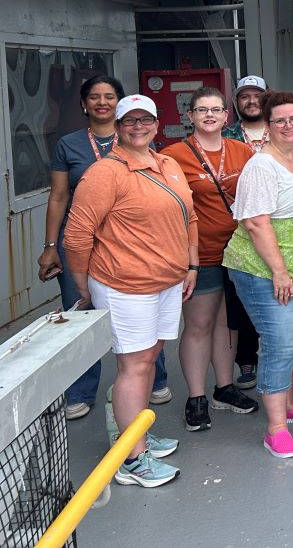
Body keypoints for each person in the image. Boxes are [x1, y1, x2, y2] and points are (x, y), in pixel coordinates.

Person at [63, 94, 197, 488]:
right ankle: (131, 460)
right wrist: (85, 284)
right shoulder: (106, 173)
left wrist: (190, 266)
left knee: (151, 355)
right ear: (118, 127)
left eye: (146, 120)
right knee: (135, 364)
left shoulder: (167, 163)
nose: (138, 127)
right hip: (125, 285)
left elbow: (188, 217)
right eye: (129, 121)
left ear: (157, 124)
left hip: (167, 281)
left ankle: (133, 432)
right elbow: (76, 236)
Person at [40, 76, 171, 420]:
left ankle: (155, 379)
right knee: (79, 315)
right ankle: (81, 390)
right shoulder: (69, 144)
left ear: (120, 105)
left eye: (109, 97)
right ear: (84, 104)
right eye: (94, 97)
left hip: (130, 245)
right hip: (80, 241)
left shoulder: (137, 139)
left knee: (144, 314)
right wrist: (51, 245)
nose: (102, 102)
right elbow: (58, 196)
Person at [224, 91, 293, 460]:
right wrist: (279, 271)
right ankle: (275, 428)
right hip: (265, 270)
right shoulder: (261, 165)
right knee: (280, 343)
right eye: (280, 120)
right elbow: (255, 222)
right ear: (266, 126)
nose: (288, 125)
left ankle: (288, 405)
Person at [162, 89, 260, 432]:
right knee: (200, 324)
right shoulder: (173, 156)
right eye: (201, 110)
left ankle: (224, 387)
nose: (209, 115)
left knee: (227, 323)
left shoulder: (242, 151)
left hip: (237, 253)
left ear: (225, 116)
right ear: (190, 116)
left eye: (216, 109)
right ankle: (196, 396)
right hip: (198, 255)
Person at [222, 74, 272, 387]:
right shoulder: (226, 135)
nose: (251, 101)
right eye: (244, 96)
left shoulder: (283, 128)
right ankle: (247, 358)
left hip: (281, 224)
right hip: (237, 226)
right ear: (236, 102)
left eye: (257, 95)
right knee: (242, 298)